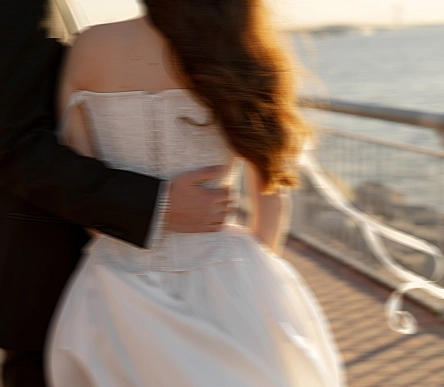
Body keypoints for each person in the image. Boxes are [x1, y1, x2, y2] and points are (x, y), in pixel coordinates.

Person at [45, 0, 346, 386]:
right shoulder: (241, 48)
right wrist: (253, 272)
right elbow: (271, 190)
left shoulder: (90, 45)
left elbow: (84, 181)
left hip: (118, 274)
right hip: (226, 269)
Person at [0, 0, 231, 386]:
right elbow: (15, 149)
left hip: (73, 269)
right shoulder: (10, 6)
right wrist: (157, 203)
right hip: (40, 272)